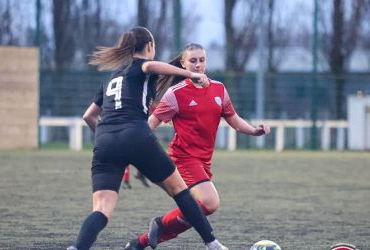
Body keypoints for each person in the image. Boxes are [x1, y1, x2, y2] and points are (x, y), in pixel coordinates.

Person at [67, 27, 228, 250]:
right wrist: (191, 74)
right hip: (136, 134)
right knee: (180, 192)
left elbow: (88, 116)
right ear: (149, 46)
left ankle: (77, 248)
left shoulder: (111, 77)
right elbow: (150, 66)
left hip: (105, 140)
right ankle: (213, 244)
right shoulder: (141, 66)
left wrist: (109, 138)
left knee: (101, 210)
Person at [125, 43, 270, 249]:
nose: (198, 65)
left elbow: (234, 120)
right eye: (192, 61)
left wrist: (255, 131)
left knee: (198, 209)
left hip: (204, 161)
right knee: (210, 203)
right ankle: (161, 226)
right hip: (183, 158)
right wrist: (139, 150)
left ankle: (140, 242)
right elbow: (151, 125)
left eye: (202, 60)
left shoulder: (219, 89)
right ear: (183, 64)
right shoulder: (176, 94)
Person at [83, 91, 150, 189]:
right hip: (121, 133)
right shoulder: (116, 97)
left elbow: (88, 116)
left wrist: (101, 135)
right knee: (127, 154)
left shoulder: (109, 93)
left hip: (109, 137)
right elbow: (89, 116)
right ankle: (131, 177)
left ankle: (136, 175)